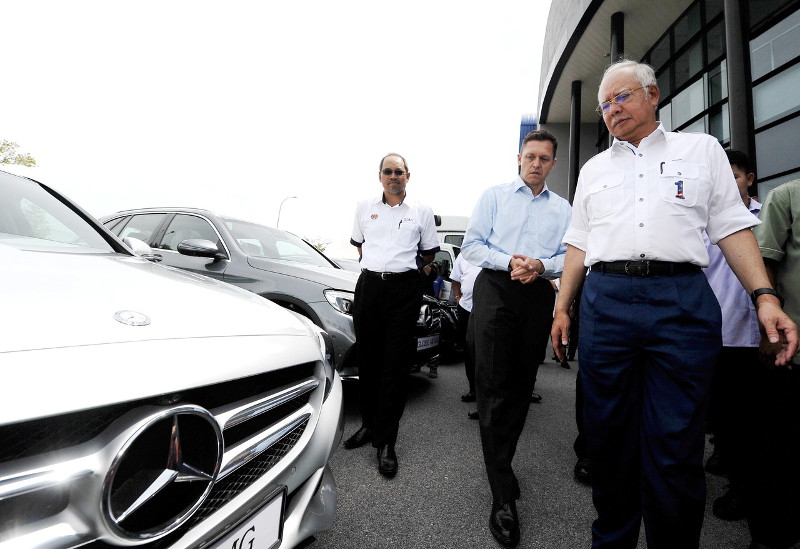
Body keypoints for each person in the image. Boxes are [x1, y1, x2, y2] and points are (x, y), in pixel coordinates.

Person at [551, 59, 798, 549]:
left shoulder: (700, 150)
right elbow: (579, 242)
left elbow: (731, 226)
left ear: (653, 94)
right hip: (607, 301)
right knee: (609, 440)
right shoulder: (594, 168)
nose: (611, 109)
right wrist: (562, 307)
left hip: (681, 299)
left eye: (621, 96)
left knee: (675, 444)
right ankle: (613, 540)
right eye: (604, 104)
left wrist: (764, 296)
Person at [461, 129, 572, 548]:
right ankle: (503, 495)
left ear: (553, 164)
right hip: (496, 288)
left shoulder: (563, 209)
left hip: (537, 294)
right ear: (519, 158)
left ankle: (501, 463)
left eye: (544, 158)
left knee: (522, 387)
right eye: (530, 156)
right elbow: (471, 246)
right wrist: (511, 261)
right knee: (492, 386)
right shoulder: (493, 197)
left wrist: (541, 265)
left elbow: (574, 254)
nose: (536, 163)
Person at [344, 153, 440, 478]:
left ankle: (387, 443)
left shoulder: (421, 213)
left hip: (403, 291)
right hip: (369, 288)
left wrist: (406, 272)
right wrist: (378, 269)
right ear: (380, 176)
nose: (393, 176)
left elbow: (429, 252)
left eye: (399, 171)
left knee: (394, 367)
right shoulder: (364, 208)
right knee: (368, 363)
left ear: (408, 176)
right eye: (388, 171)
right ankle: (369, 426)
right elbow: (358, 245)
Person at [702, 150, 761, 521]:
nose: (728, 183)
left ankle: (744, 490)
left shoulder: (765, 215)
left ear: (750, 179)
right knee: (718, 410)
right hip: (711, 331)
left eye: (735, 177)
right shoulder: (704, 221)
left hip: (751, 335)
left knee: (748, 419)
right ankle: (724, 454)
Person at [748, 177, 800, 549]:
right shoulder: (787, 196)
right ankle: (773, 537)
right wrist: (772, 331)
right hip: (793, 351)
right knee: (782, 452)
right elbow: (763, 262)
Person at [450, 253, 481, 405]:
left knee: (485, 352)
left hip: (487, 311)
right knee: (469, 351)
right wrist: (457, 297)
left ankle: (486, 393)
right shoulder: (464, 255)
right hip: (466, 309)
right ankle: (473, 390)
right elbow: (455, 279)